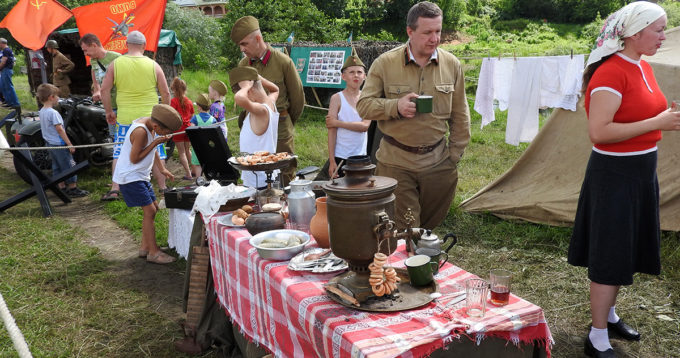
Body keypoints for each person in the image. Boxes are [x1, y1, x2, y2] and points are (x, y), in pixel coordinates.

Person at [567, 3, 680, 358]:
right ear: (633, 34)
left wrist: (665, 115)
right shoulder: (611, 73)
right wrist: (657, 123)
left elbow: (643, 111)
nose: (665, 36)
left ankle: (610, 315)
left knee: (625, 247)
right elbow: (599, 132)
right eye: (659, 30)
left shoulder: (641, 65)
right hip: (613, 175)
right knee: (610, 251)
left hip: (640, 171)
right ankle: (596, 336)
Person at [356, 1, 470, 230]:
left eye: (438, 31)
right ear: (410, 31)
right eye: (427, 32)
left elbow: (460, 113)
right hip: (396, 162)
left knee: (427, 228)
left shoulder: (452, 64)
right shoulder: (385, 63)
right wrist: (395, 107)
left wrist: (453, 156)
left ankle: (418, 257)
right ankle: (409, 261)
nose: (434, 38)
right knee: (407, 228)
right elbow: (364, 106)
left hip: (438, 162)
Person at [231, 16, 304, 186]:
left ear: (258, 39)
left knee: (284, 170)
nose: (242, 49)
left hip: (281, 128)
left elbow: (297, 98)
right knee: (256, 168)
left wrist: (284, 121)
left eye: (244, 44)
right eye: (240, 45)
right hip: (256, 127)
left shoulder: (283, 62)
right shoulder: (243, 64)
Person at [101, 31, 171, 201]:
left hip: (125, 118)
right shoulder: (154, 65)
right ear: (144, 46)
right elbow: (166, 92)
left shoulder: (115, 64)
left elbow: (104, 89)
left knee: (120, 152)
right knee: (156, 149)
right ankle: (163, 187)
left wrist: (109, 111)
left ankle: (115, 188)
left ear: (127, 45)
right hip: (151, 118)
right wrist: (165, 113)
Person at [114, 104, 180, 264]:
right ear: (157, 126)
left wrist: (162, 169)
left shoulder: (150, 125)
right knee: (150, 211)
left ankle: (145, 247)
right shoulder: (141, 132)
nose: (167, 135)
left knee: (154, 209)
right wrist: (155, 143)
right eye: (166, 132)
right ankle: (154, 252)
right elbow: (134, 158)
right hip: (130, 177)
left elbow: (154, 151)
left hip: (140, 176)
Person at [36, 84, 89, 198]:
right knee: (69, 165)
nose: (58, 99)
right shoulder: (53, 113)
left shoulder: (42, 111)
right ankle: (73, 188)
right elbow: (60, 129)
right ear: (51, 97)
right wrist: (69, 143)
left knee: (57, 166)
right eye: (57, 96)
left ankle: (61, 187)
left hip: (50, 144)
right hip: (59, 144)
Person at [230, 66, 279, 188]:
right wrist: (258, 78)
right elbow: (275, 90)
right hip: (260, 177)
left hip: (259, 180)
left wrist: (246, 86)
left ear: (250, 91)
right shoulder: (270, 103)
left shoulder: (262, 110)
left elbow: (239, 98)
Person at [326, 51, 369, 178]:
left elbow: (364, 126)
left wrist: (337, 122)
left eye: (359, 72)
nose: (356, 75)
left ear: (365, 76)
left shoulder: (368, 99)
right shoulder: (336, 98)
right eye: (351, 72)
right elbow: (331, 130)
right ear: (343, 76)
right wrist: (332, 160)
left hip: (361, 156)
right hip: (341, 156)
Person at [79, 33, 121, 141]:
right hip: (108, 105)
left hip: (121, 104)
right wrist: (97, 90)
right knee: (114, 138)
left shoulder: (116, 58)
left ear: (94, 45)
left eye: (85, 50)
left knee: (123, 137)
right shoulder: (93, 60)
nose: (85, 54)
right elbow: (94, 73)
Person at [169, 77, 194, 180]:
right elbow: (192, 114)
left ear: (174, 89)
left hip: (178, 129)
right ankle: (194, 170)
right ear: (185, 89)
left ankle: (188, 173)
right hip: (188, 128)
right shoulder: (189, 101)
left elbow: (171, 115)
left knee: (182, 152)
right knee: (188, 150)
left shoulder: (173, 101)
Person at [189, 93, 216, 177]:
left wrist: (190, 142)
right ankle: (210, 180)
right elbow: (214, 135)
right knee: (208, 163)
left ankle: (199, 181)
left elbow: (191, 133)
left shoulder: (195, 118)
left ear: (199, 107)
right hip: (208, 145)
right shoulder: (213, 120)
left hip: (197, 146)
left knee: (198, 165)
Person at [0, 38, 20, 109]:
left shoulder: (6, 50)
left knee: (9, 87)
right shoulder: (8, 50)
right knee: (4, 87)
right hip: (6, 70)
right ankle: (9, 102)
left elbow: (3, 61)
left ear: (2, 43)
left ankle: (15, 103)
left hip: (6, 70)